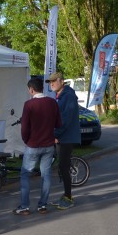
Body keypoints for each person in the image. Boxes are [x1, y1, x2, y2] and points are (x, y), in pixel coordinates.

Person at [14, 76, 61, 215]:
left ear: (31, 89)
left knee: (25, 175)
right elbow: (58, 124)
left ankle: (24, 206)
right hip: (48, 145)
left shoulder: (29, 105)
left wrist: (26, 140)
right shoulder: (52, 103)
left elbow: (24, 128)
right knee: (45, 175)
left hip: (33, 145)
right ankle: (42, 206)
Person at [47, 71, 81, 210]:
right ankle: (66, 195)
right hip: (62, 136)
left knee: (64, 167)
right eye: (50, 82)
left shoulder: (68, 96)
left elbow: (65, 119)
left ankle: (68, 197)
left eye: (54, 81)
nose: (51, 84)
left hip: (66, 137)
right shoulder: (61, 96)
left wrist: (56, 134)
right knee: (62, 167)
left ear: (62, 81)